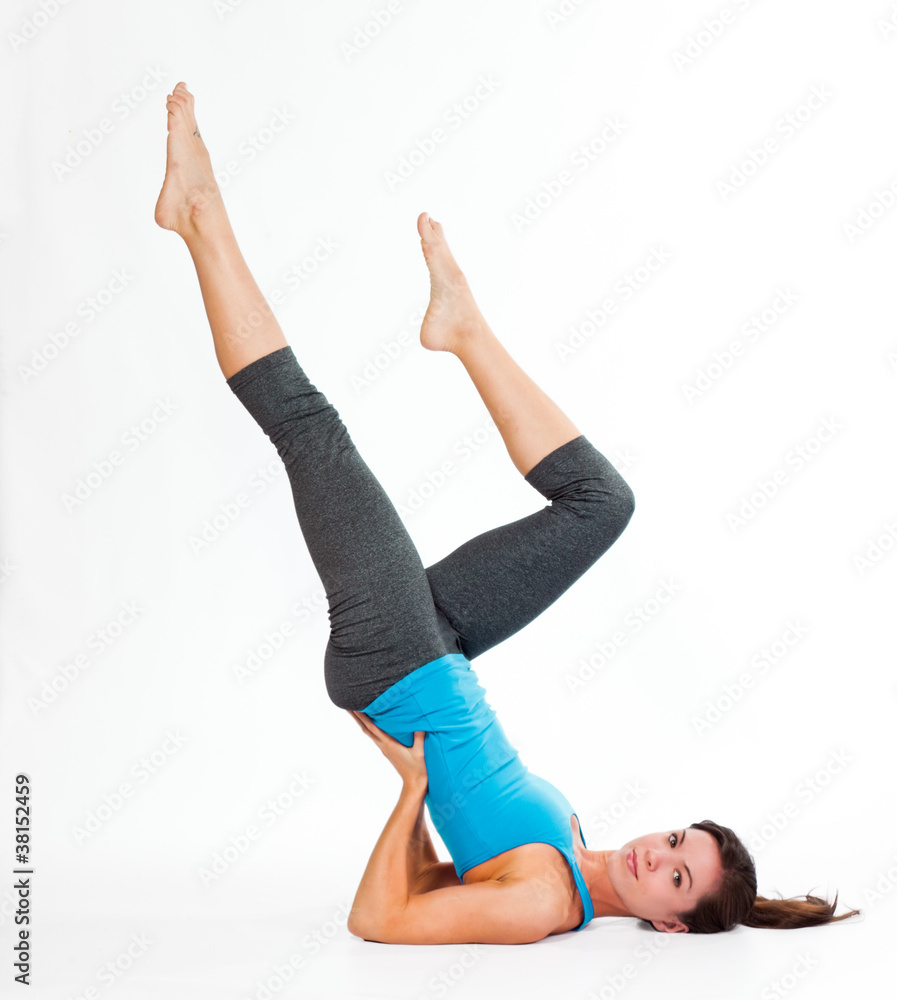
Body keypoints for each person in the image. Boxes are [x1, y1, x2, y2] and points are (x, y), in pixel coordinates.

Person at [155, 82, 860, 944]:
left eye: (675, 878)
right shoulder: (573, 846)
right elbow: (439, 875)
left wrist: (412, 792)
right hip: (441, 647)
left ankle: (197, 216)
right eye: (677, 841)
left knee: (310, 430)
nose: (656, 857)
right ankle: (463, 329)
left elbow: (381, 919)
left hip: (397, 664)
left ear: (669, 925)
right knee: (602, 504)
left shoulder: (547, 903)